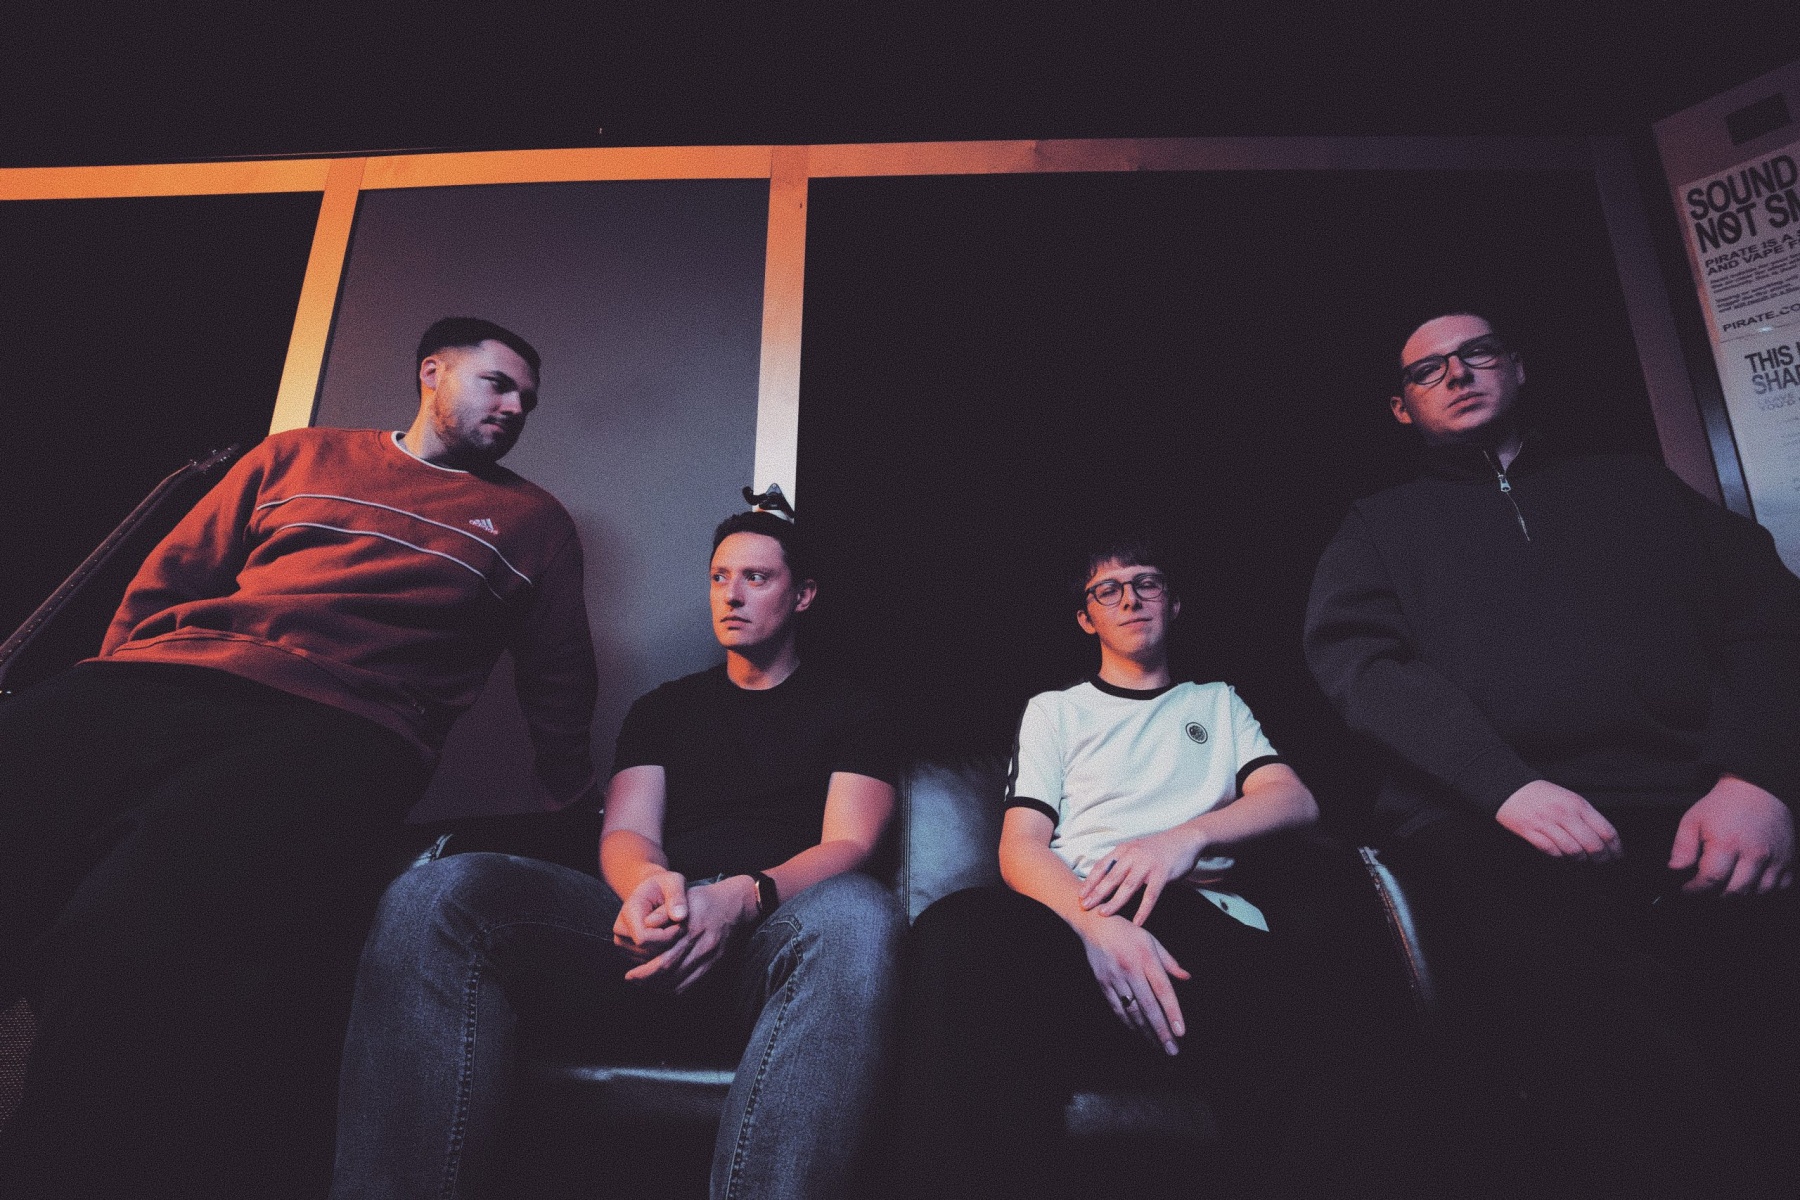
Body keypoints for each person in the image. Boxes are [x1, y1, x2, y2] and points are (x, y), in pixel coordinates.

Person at [0, 317, 599, 1200]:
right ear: (432, 371)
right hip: (170, 679)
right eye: (498, 384)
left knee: (137, 923)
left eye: (528, 401)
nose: (515, 408)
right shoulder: (298, 455)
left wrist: (571, 793)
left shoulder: (533, 522)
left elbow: (559, 671)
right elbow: (172, 576)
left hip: (344, 722)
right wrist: (112, 688)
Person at [1304, 306, 1800, 1198]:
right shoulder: (1379, 526)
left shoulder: (1638, 487)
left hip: (1695, 797)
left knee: (1761, 1010)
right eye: (1428, 369)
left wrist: (1756, 778)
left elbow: (1770, 621)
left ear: (1519, 368)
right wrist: (1507, 788)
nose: (1457, 374)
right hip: (1496, 822)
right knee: (1586, 1025)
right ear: (1402, 408)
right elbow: (1361, 668)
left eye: (1477, 353)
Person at [330, 509, 904, 1200]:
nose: (731, 595)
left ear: (802, 594)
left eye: (756, 578)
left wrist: (740, 897)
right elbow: (629, 832)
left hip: (773, 934)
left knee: (858, 914)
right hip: (646, 921)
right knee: (435, 892)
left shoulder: (854, 709)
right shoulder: (665, 709)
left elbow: (849, 842)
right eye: (720, 577)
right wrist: (650, 888)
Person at [903, 536, 1403, 1199]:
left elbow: (1294, 800)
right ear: (1086, 617)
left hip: (1194, 923)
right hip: (1077, 919)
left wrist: (1181, 840)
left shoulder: (1216, 703)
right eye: (1108, 590)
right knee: (955, 928)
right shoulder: (1056, 711)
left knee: (1326, 1011)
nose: (1131, 599)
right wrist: (1100, 928)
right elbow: (1021, 847)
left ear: (1174, 603)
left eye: (1148, 583)